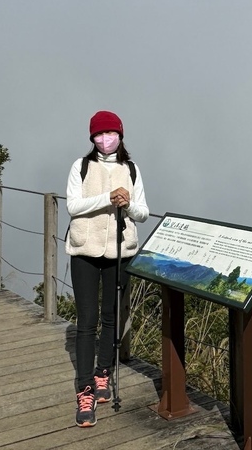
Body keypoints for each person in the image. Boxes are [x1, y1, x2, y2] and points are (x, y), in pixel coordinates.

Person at [65, 110, 149, 428]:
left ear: (120, 135)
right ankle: (85, 389)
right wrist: (107, 198)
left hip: (120, 252)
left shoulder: (132, 168)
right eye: (98, 135)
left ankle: (103, 373)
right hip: (85, 250)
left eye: (110, 134)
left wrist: (126, 204)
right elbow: (73, 205)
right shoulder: (82, 166)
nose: (104, 140)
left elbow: (143, 213)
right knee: (86, 321)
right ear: (92, 139)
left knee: (112, 317)